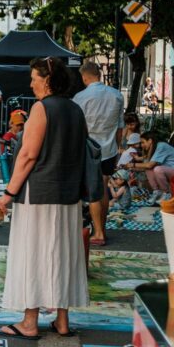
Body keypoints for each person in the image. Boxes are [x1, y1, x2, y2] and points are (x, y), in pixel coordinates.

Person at [0, 56, 89, 339]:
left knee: (33, 254)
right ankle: (62, 320)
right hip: (69, 194)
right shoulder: (75, 109)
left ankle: (29, 321)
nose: (31, 82)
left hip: (39, 195)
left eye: (34, 78)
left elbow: (27, 154)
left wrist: (8, 192)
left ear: (47, 80)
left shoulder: (41, 108)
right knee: (63, 254)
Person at [72, 61, 124, 246]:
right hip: (109, 148)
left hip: (88, 147)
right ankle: (102, 227)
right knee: (102, 187)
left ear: (85, 76)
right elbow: (120, 127)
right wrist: (118, 149)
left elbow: (77, 126)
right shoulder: (116, 95)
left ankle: (98, 232)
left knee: (93, 190)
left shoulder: (80, 97)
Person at [125, 132, 174, 203]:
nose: (141, 145)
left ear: (150, 141)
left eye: (143, 142)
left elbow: (149, 165)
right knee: (149, 169)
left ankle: (167, 193)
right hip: (171, 170)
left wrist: (132, 165)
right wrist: (131, 168)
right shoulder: (153, 149)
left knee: (157, 169)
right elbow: (146, 166)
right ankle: (156, 192)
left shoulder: (161, 146)